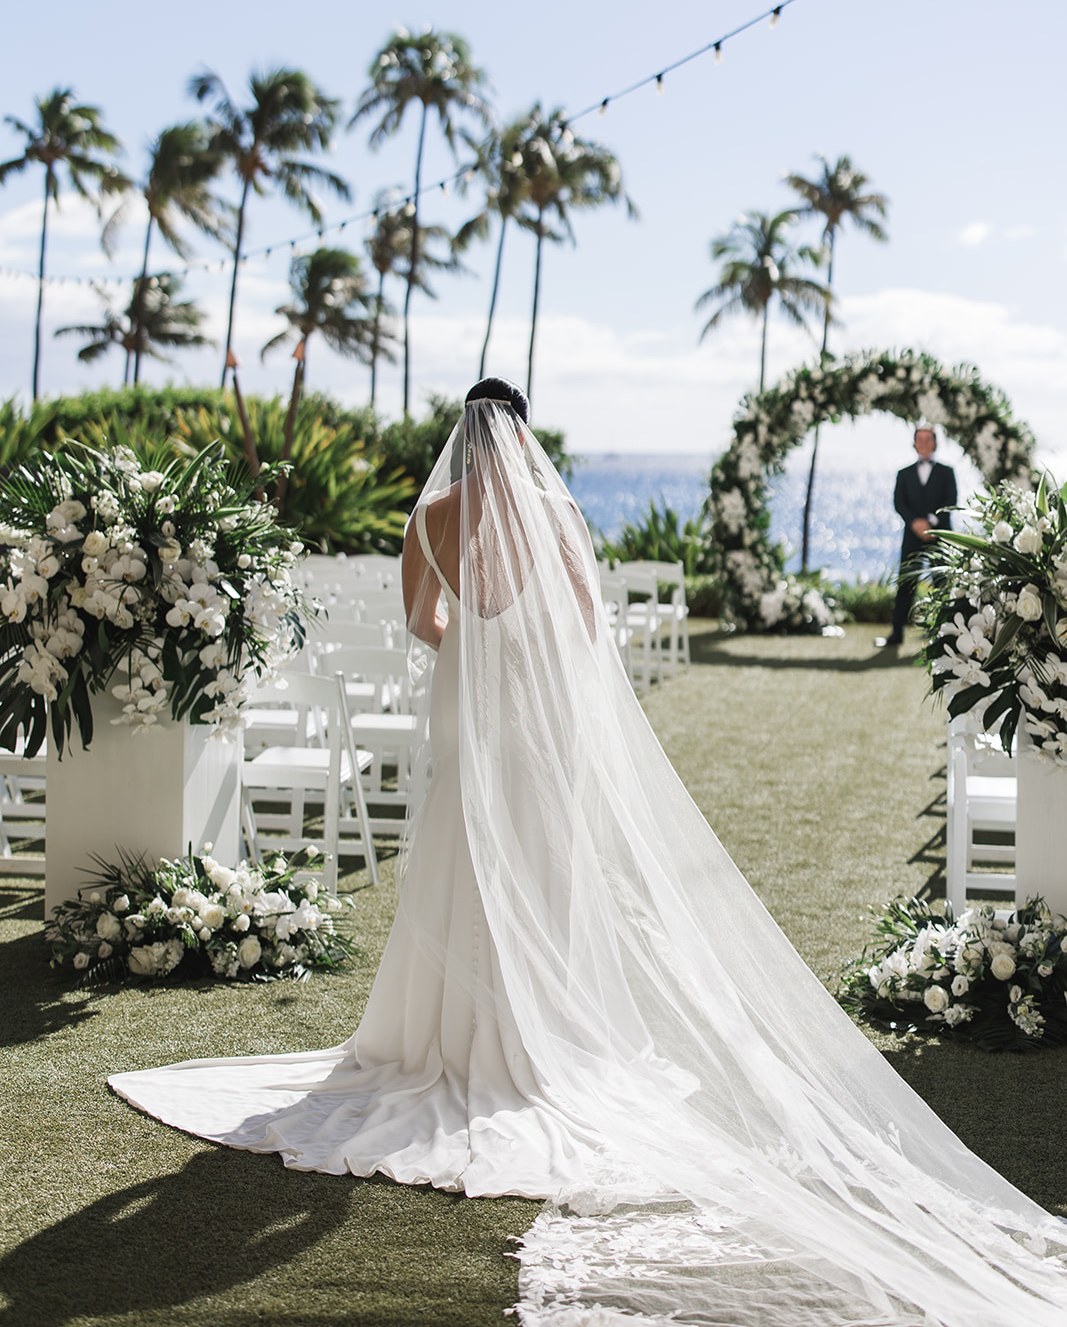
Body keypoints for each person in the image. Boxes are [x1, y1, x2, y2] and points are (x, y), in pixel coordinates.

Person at [109, 379, 1067, 1327]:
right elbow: (583, 624)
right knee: (537, 851)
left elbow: (420, 623)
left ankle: (436, 1035)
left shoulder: (432, 513)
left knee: (454, 848)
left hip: (463, 696)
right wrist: (518, 650)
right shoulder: (554, 514)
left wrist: (468, 644)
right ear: (521, 437)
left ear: (460, 437)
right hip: (530, 701)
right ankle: (535, 1032)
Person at [880, 425, 957, 647]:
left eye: (927, 439)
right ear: (914, 444)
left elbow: (950, 500)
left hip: (940, 536)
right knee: (906, 583)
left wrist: (930, 523)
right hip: (912, 536)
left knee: (942, 584)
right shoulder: (903, 474)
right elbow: (899, 503)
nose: (923, 444)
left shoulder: (946, 472)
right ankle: (897, 633)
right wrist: (915, 523)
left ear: (935, 443)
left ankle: (947, 634)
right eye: (919, 439)